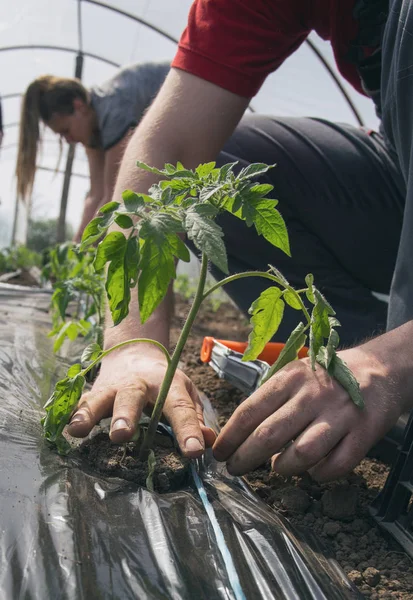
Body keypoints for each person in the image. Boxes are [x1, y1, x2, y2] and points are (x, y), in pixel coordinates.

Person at [67, 0, 413, 483]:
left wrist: (394, 361)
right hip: (398, 172)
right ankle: (345, 368)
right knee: (219, 163)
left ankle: (389, 367)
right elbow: (167, 155)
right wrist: (133, 344)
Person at [15, 62, 170, 241]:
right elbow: (96, 195)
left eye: (66, 131)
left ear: (78, 106)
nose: (69, 140)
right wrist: (78, 244)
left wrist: (87, 244)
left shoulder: (113, 110)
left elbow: (113, 196)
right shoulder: (92, 125)